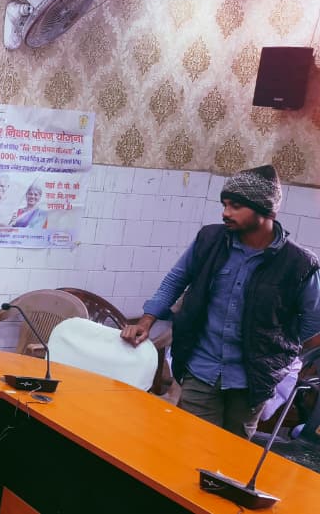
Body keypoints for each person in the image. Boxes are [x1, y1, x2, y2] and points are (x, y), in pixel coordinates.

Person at [122, 165, 320, 438]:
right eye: (225, 204)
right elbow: (175, 280)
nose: (226, 212)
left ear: (265, 210)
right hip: (201, 368)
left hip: (252, 380)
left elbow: (312, 322)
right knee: (194, 445)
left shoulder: (299, 264)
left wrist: (277, 351)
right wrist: (146, 321)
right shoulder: (209, 240)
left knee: (233, 452)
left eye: (235, 206)